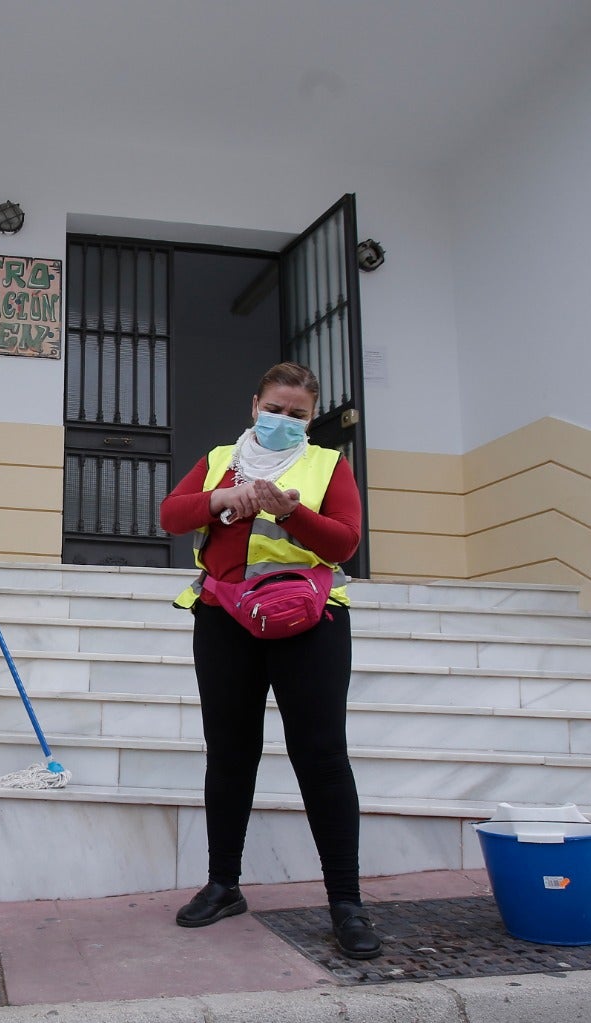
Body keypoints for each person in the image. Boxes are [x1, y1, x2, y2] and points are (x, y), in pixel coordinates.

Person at [159, 361, 381, 960]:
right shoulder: (217, 459)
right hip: (226, 617)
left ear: (312, 420)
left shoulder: (328, 466)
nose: (283, 420)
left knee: (322, 758)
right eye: (274, 408)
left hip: (310, 620)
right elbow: (172, 516)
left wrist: (289, 512)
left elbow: (344, 542)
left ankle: (346, 903)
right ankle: (224, 884)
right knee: (230, 754)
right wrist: (225, 497)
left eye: (297, 414)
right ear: (253, 404)